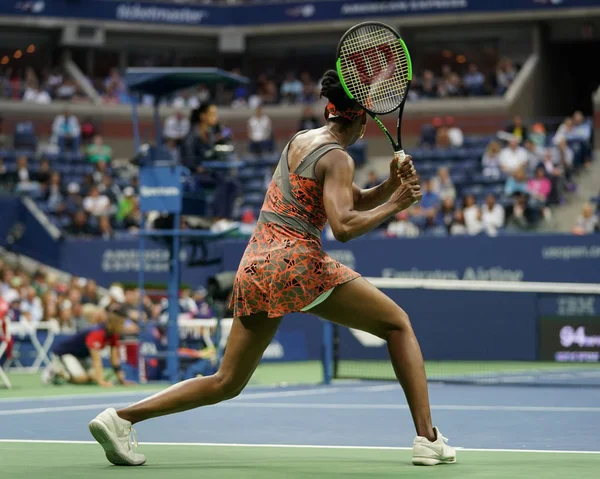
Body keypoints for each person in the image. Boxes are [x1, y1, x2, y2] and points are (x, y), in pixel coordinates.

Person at [88, 69, 456, 467]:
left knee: (226, 382)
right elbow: (344, 226)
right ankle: (428, 438)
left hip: (256, 263)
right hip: (296, 263)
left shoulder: (303, 141)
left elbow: (349, 199)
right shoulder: (339, 157)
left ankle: (121, 419)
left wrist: (388, 186)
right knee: (397, 324)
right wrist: (397, 204)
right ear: (362, 120)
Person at [43, 304, 128, 386]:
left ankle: (64, 375)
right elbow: (96, 361)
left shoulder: (114, 334)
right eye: (122, 323)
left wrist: (122, 381)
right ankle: (56, 371)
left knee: (93, 376)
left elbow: (114, 359)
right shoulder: (97, 333)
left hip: (81, 357)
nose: (123, 327)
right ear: (114, 323)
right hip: (64, 354)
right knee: (82, 378)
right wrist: (101, 382)